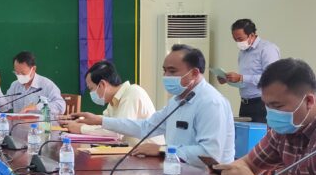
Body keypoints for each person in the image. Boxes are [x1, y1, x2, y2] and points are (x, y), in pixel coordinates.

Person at [98, 44, 235, 168]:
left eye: (172, 71)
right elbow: (146, 127)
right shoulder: (176, 101)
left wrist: (162, 150)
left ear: (194, 73)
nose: (166, 76)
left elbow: (209, 153)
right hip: (178, 174)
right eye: (164, 71)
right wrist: (101, 121)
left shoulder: (211, 102)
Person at [62, 60, 163, 145]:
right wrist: (80, 121)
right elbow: (104, 125)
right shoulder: (113, 102)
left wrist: (81, 129)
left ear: (102, 84)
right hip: (133, 153)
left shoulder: (132, 92)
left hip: (152, 157)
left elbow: (118, 132)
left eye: (91, 88)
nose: (91, 93)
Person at [219, 18, 281, 123]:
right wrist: (228, 79)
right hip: (245, 103)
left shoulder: (267, 49)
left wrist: (241, 77)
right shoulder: (242, 52)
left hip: (262, 104)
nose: (238, 42)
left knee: (260, 133)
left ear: (252, 35)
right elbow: (245, 81)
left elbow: (272, 78)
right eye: (235, 40)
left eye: (240, 39)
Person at [0, 51, 66, 117]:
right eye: (17, 73)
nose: (19, 76)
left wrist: (37, 107)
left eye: (23, 73)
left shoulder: (46, 85)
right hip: (19, 126)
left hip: (41, 127)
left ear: (33, 69)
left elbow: (61, 106)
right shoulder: (15, 85)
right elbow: (3, 108)